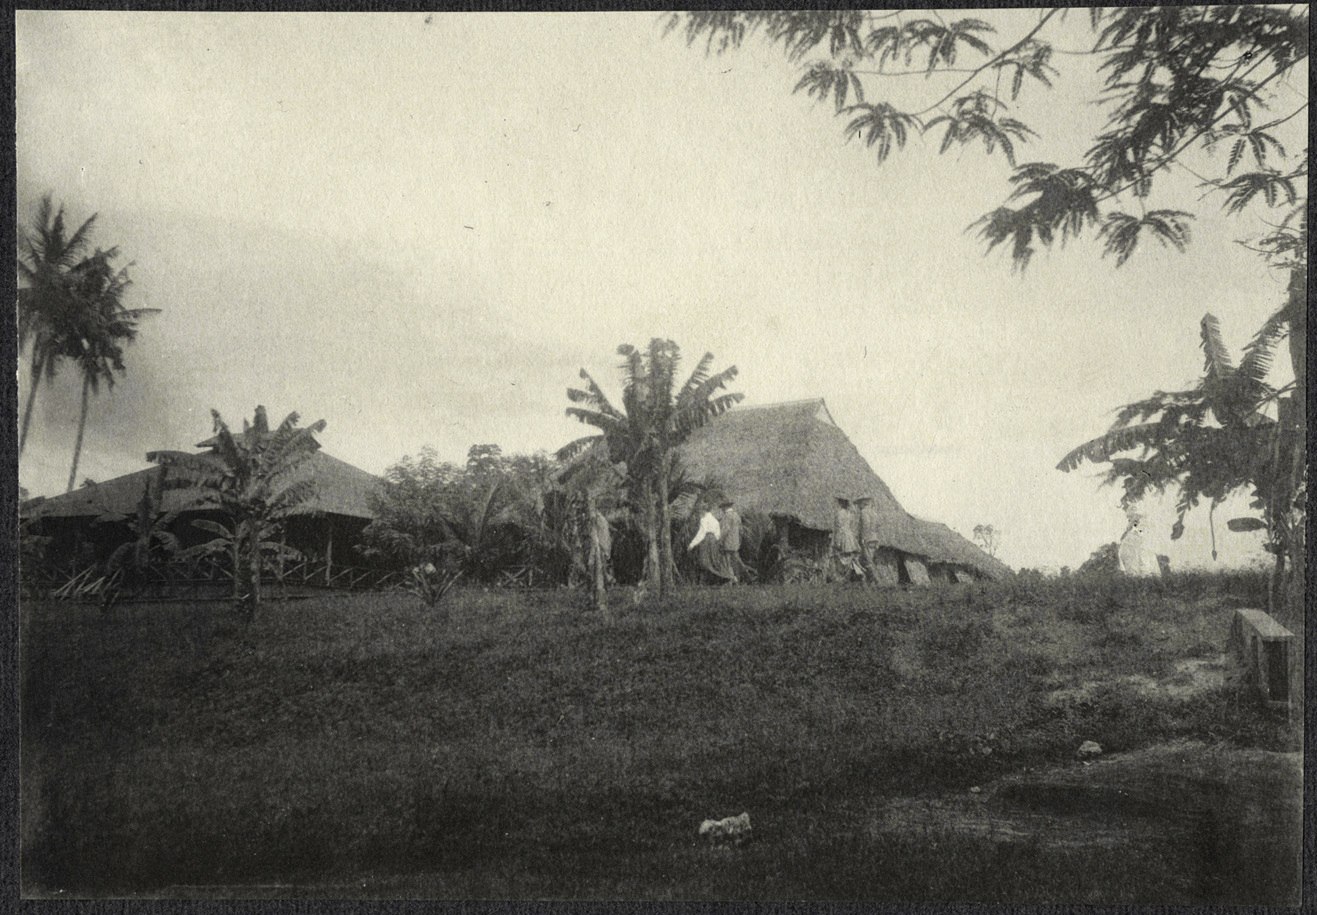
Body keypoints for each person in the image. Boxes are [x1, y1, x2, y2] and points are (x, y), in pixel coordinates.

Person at [688, 501, 734, 584]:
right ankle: (721, 578)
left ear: (703, 511)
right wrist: (716, 542)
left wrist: (692, 544)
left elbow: (701, 533)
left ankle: (711, 580)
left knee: (704, 562)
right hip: (714, 541)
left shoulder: (704, 519)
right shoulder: (715, 520)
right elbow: (718, 534)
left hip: (706, 540)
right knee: (713, 561)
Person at [718, 497, 750, 583]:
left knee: (728, 562)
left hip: (727, 543)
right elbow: (741, 531)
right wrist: (739, 541)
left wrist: (720, 541)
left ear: (725, 507)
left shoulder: (726, 517)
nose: (721, 510)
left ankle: (731, 580)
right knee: (736, 561)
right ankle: (744, 577)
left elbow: (725, 530)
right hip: (735, 543)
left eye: (722, 508)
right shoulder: (736, 516)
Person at [832, 497, 862, 581]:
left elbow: (839, 527)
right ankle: (853, 575)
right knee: (849, 556)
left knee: (841, 555)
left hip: (842, 535)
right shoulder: (849, 514)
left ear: (841, 503)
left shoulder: (839, 513)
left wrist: (837, 540)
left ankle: (843, 577)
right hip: (849, 535)